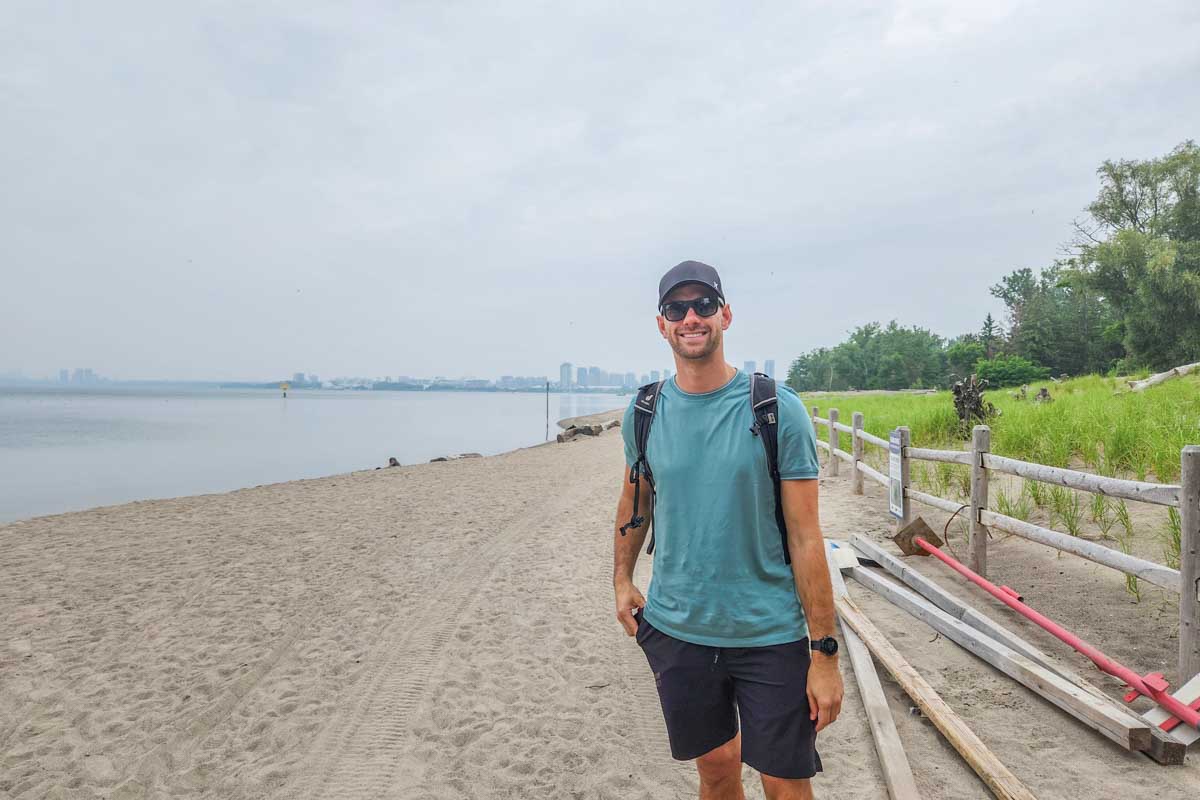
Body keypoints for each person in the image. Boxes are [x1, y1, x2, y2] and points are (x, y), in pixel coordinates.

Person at [613, 261, 843, 800]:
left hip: (769, 633)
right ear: (662, 324)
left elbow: (808, 538)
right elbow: (636, 496)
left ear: (726, 315)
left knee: (785, 781)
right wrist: (622, 579)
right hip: (678, 629)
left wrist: (825, 654)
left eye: (703, 305)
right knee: (716, 769)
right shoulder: (644, 411)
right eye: (677, 308)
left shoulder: (775, 410)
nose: (691, 317)